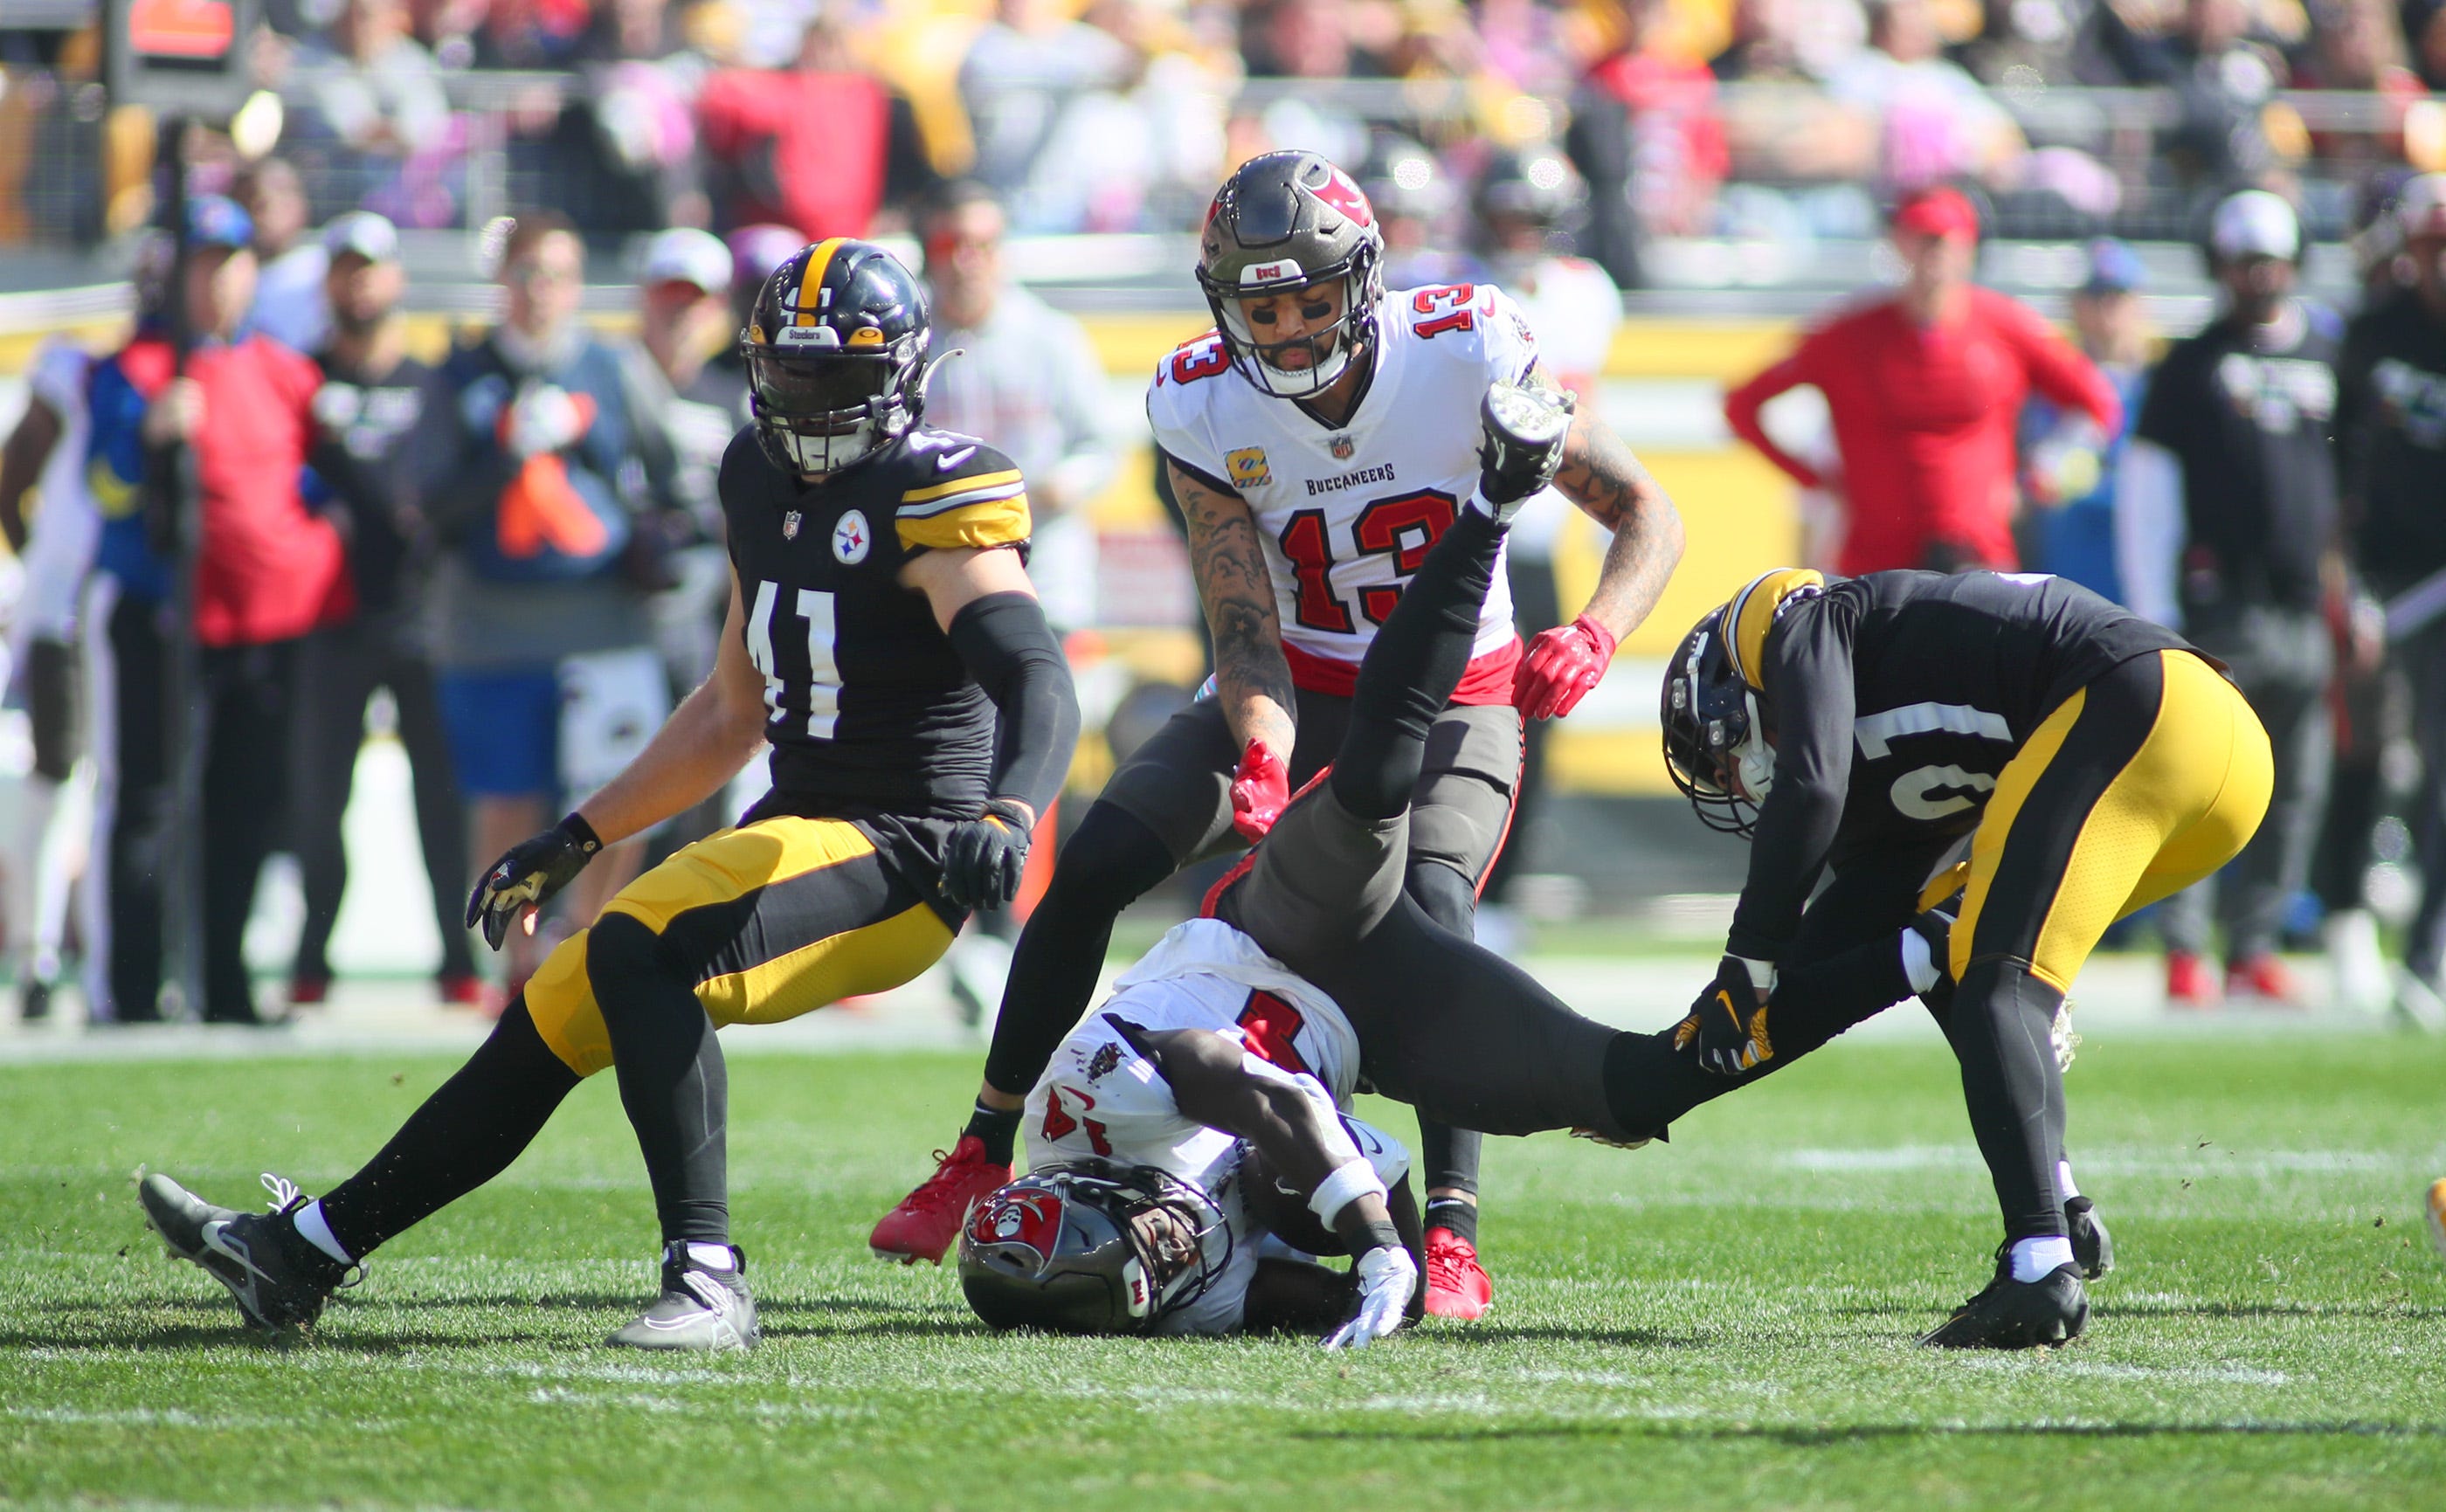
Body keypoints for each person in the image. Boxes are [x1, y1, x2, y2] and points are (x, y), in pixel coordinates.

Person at [139, 238, 1081, 1351]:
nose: (804, 397)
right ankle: (306, 1253)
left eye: (831, 375)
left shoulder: (934, 489)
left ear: (900, 378)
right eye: (786, 371)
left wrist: (1010, 811)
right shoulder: (751, 473)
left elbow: (1037, 675)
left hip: (903, 852)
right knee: (556, 1011)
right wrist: (581, 834)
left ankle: (709, 1275)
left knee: (637, 946)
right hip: (795, 828)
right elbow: (731, 713)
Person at [873, 151, 1686, 1326]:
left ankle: (1451, 1227)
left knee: (1436, 910)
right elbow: (1244, 621)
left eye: (1311, 297)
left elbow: (1645, 510)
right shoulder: (1202, 398)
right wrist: (1260, 747)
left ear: (1361, 280)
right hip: (1293, 681)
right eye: (1263, 305)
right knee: (1099, 857)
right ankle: (981, 1148)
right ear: (1225, 303)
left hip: (1460, 690)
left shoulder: (1465, 344)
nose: (1291, 327)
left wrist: (1599, 634)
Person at [1655, 565, 2270, 1345]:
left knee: (1999, 988)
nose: (1731, 780)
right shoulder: (1892, 766)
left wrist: (1746, 965)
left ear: (1728, 690)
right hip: (2222, 757)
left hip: (2140, 705)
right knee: (1984, 969)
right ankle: (2062, 1213)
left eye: (1720, 760)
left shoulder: (1789, 621)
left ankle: (2039, 1267)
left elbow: (1808, 788)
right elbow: (1905, 945)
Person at [84, 194, 362, 1025]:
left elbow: (318, 484)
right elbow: (105, 488)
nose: (218, 282)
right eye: (203, 264)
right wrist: (148, 440)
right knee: (152, 806)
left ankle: (226, 985)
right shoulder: (129, 372)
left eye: (231, 263)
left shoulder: (281, 369)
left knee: (245, 808)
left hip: (262, 632)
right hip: (164, 622)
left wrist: (311, 557)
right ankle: (134, 993)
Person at [416, 213, 666, 998]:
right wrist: (504, 458)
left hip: (604, 621)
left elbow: (666, 474)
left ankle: (586, 945)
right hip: (492, 625)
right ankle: (517, 965)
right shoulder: (457, 375)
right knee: (507, 800)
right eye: (525, 275)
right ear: (501, 282)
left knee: (624, 795)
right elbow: (427, 502)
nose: (539, 294)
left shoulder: (614, 366)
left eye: (555, 275)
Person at [2120, 190, 2348, 1008]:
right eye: (2243, 260)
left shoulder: (2329, 352)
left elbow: (2349, 486)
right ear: (2219, 266)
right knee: (2199, 781)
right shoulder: (2190, 365)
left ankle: (2254, 943)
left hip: (2304, 606)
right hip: (2221, 606)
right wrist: (2157, 609)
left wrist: (2349, 592)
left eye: (2270, 259)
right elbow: (2148, 493)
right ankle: (2185, 946)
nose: (2258, 275)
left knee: (2297, 785)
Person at [1724, 185, 2121, 576]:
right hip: (1873, 563)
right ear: (1899, 243)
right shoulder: (1848, 335)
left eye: (1944, 240)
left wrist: (2042, 481)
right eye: (1922, 240)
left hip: (1977, 558)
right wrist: (1816, 481)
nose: (1934, 254)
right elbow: (1742, 405)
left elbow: (2100, 406)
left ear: (1969, 247)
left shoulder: (2006, 325)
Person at [285, 211, 479, 1008]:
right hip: (328, 622)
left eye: (372, 267)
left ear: (397, 280)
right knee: (318, 799)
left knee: (442, 799)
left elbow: (438, 507)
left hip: (424, 623)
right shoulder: (300, 379)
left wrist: (361, 476)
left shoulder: (433, 387)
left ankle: (457, 960)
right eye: (345, 267)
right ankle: (309, 958)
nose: (359, 282)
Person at [1466, 146, 1622, 948]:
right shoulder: (1452, 285)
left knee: (1533, 716)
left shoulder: (1583, 293)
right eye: (1504, 216)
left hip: (1528, 540)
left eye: (1529, 218)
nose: (1516, 233)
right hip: (1459, 536)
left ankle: (1500, 897)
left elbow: (1555, 404)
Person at [2343, 175, 2446, 1024]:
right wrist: (2345, 580)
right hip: (2384, 584)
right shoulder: (2374, 336)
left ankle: (2426, 948)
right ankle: (2346, 924)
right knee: (2364, 752)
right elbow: (2336, 464)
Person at [0, 329, 105, 1021]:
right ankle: (36, 946)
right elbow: (13, 476)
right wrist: (46, 569)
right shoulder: (79, 369)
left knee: (117, 782)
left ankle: (92, 948)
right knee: (59, 769)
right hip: (66, 608)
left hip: (132, 604)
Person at [2023, 238, 2152, 604]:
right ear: (2075, 304)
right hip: (2067, 571)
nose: (2106, 307)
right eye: (2095, 295)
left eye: (2117, 294)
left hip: (2139, 574)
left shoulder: (2161, 386)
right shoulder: (2050, 389)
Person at [233, 158, 328, 355]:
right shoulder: (226, 273)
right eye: (249, 201)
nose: (261, 214)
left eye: (263, 204)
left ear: (301, 205)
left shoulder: (323, 269)